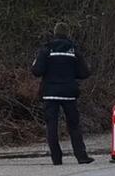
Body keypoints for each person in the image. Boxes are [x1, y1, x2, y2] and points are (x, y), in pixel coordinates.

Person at [32, 23, 95, 165]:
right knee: (74, 125)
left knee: (51, 126)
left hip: (50, 93)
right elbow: (85, 72)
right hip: (69, 93)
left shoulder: (46, 50)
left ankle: (56, 158)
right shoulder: (73, 51)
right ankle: (81, 156)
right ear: (67, 34)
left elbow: (36, 71)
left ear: (54, 33)